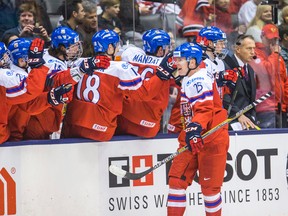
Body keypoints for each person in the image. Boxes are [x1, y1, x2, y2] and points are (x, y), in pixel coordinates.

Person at [62, 29, 172, 141]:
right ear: (110, 48)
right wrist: (161, 75)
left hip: (73, 124)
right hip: (101, 130)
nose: (118, 49)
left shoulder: (79, 63)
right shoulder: (119, 68)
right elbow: (143, 93)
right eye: (116, 46)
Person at [166, 42, 229, 216]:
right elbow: (188, 110)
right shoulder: (188, 77)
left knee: (210, 190)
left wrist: (195, 128)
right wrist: (189, 131)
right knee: (176, 181)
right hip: (191, 136)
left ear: (192, 62)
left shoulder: (198, 78)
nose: (176, 63)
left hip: (211, 138)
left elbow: (204, 109)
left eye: (180, 60)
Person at [116, 28, 171, 138]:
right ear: (160, 50)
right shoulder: (166, 63)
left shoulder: (129, 54)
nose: (169, 49)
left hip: (125, 116)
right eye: (167, 47)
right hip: (148, 124)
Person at [249, 23, 288, 128]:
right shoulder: (255, 54)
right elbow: (267, 71)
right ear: (262, 37)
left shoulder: (278, 56)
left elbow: (285, 82)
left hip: (281, 108)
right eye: (269, 38)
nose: (272, 41)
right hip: (265, 107)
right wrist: (275, 54)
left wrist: (285, 105)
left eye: (275, 39)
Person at [223, 35, 258, 130]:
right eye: (249, 48)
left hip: (248, 120)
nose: (253, 52)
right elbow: (225, 96)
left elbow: (250, 97)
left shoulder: (250, 69)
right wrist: (238, 115)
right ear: (238, 49)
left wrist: (252, 116)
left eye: (254, 48)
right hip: (231, 121)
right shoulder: (226, 66)